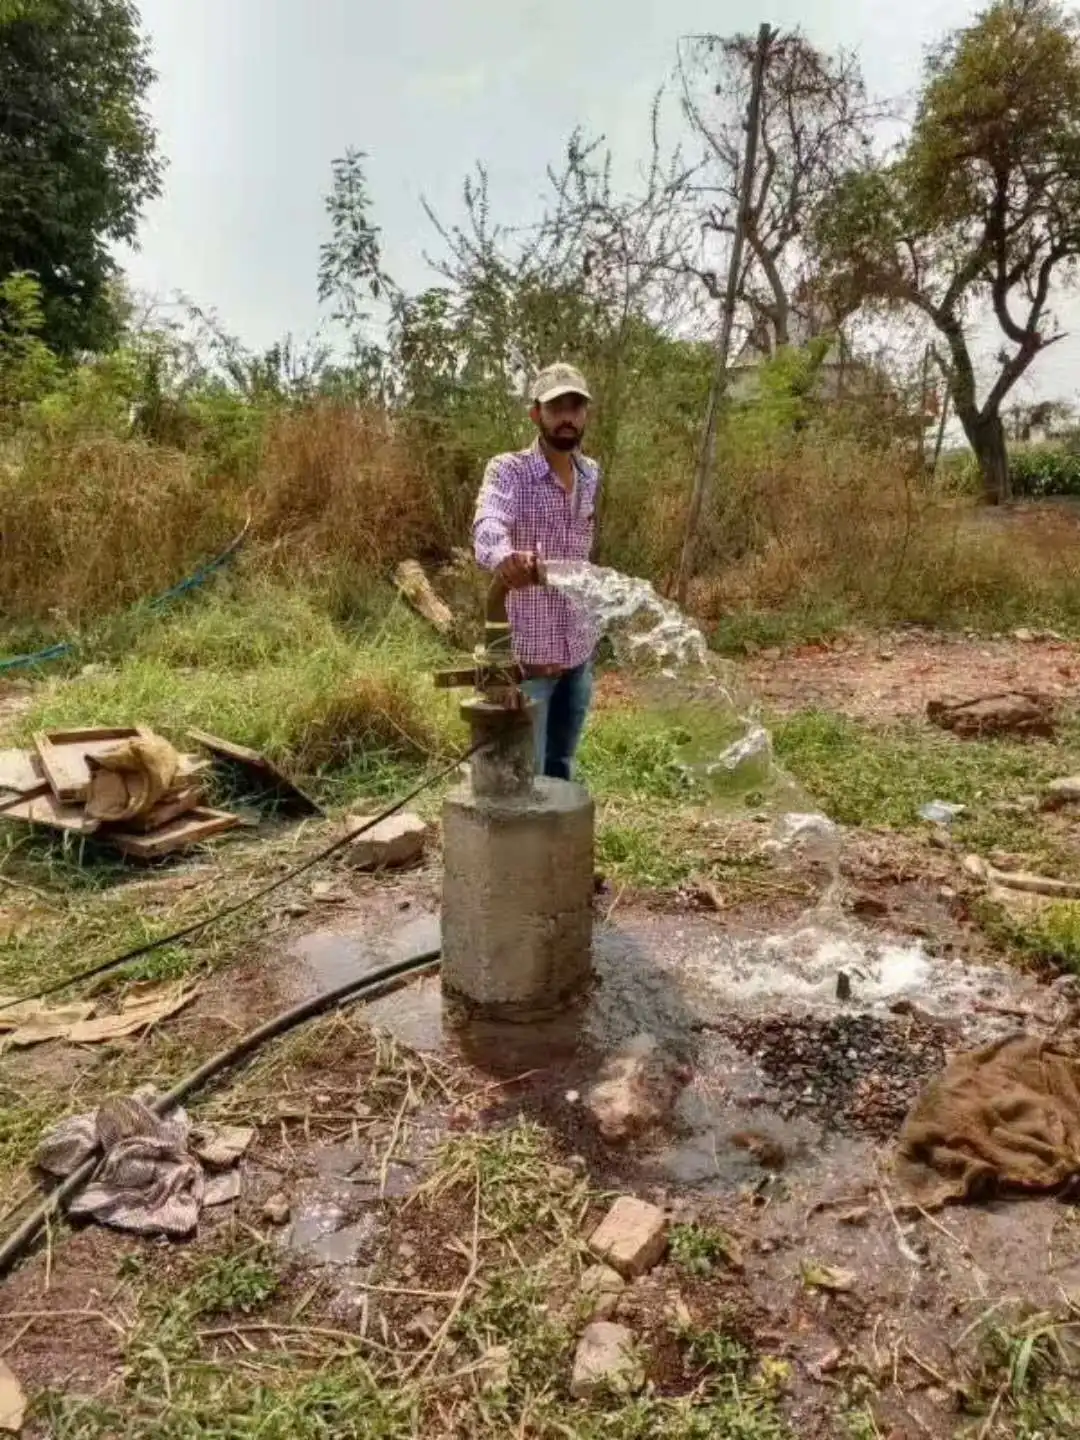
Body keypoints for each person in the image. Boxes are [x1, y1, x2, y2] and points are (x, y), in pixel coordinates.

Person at [473, 362, 599, 780]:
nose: (567, 417)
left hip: (577, 651)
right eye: (556, 407)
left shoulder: (590, 473)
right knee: (522, 779)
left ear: (585, 415)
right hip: (528, 661)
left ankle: (556, 847)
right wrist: (503, 556)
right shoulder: (510, 469)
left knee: (561, 766)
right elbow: (488, 519)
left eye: (575, 407)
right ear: (536, 414)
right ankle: (519, 848)